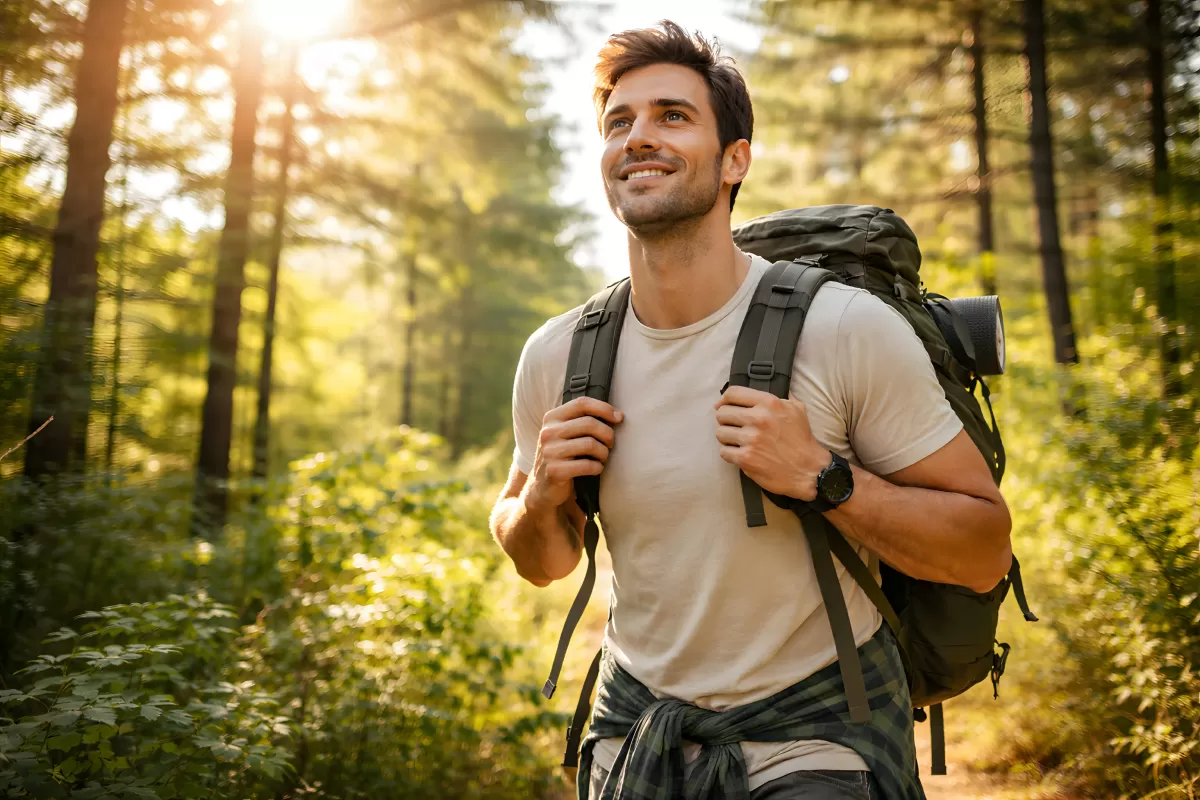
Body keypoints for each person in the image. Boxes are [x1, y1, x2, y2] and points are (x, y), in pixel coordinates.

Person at [489, 20, 1012, 800]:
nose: (639, 137)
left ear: (735, 160)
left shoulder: (844, 330)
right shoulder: (560, 356)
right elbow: (544, 563)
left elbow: (982, 550)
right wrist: (539, 498)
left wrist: (827, 480)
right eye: (618, 122)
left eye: (672, 115)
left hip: (818, 736)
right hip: (637, 735)